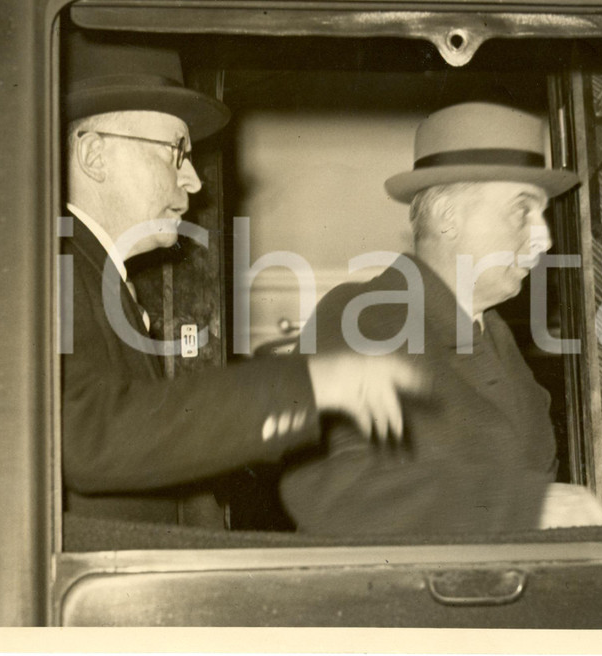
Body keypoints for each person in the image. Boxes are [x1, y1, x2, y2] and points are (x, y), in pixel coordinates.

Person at [59, 30, 424, 526]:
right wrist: (307, 384)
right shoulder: (55, 264)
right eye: (175, 152)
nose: (193, 179)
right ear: (94, 156)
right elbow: (90, 434)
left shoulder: (96, 272)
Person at [280, 102, 602, 535]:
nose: (544, 238)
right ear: (449, 217)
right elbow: (328, 491)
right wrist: (523, 507)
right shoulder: (365, 316)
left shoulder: (495, 338)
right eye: (521, 211)